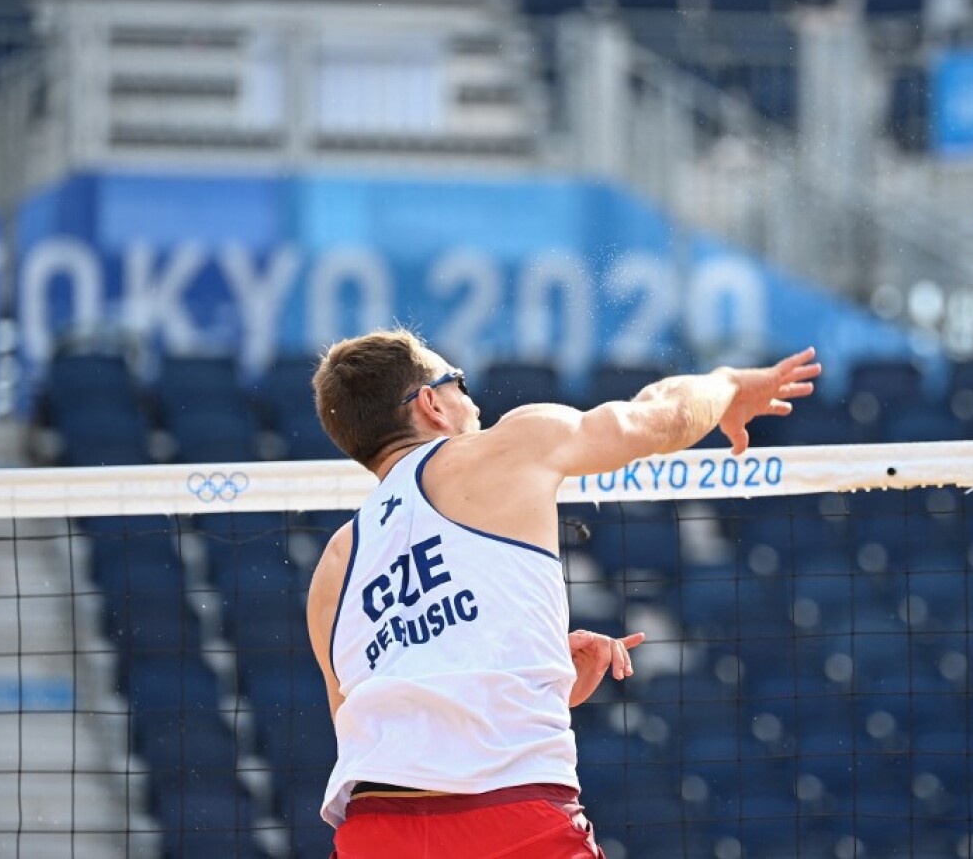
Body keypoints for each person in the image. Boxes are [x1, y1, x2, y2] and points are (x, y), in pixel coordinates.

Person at [304, 328, 821, 858]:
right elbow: (652, 417)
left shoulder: (333, 568)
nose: (473, 398)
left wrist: (537, 673)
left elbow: (375, 722)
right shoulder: (503, 447)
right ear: (431, 403)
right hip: (507, 814)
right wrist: (728, 385)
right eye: (457, 381)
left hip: (374, 831)